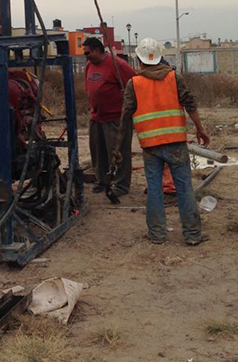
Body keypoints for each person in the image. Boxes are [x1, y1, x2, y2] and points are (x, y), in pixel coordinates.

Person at [114, 38, 210, 246]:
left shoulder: (134, 84)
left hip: (151, 146)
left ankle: (157, 234)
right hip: (176, 143)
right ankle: (192, 235)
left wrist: (119, 147)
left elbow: (125, 117)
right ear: (159, 58)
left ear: (139, 60)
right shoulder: (174, 78)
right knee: (184, 187)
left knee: (154, 189)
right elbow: (190, 103)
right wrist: (200, 129)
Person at [83, 37, 136, 199]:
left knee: (118, 152)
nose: (85, 56)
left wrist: (126, 97)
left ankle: (121, 184)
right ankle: (102, 180)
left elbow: (135, 85)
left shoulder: (118, 65)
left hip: (116, 118)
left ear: (97, 50)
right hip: (96, 116)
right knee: (98, 151)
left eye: (87, 52)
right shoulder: (89, 65)